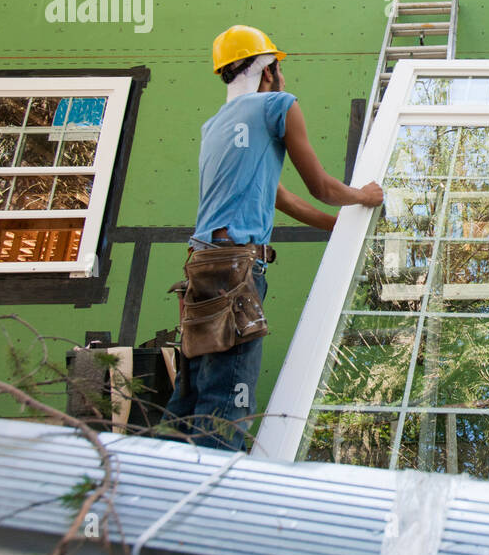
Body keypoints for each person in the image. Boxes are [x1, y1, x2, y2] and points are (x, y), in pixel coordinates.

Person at [164, 25, 383, 450]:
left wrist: (332, 226)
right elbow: (319, 185)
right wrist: (364, 196)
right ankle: (212, 505)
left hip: (200, 268)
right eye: (279, 69)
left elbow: (276, 194)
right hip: (236, 271)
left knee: (189, 397)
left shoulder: (214, 126)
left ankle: (155, 490)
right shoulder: (278, 106)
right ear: (269, 71)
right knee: (228, 401)